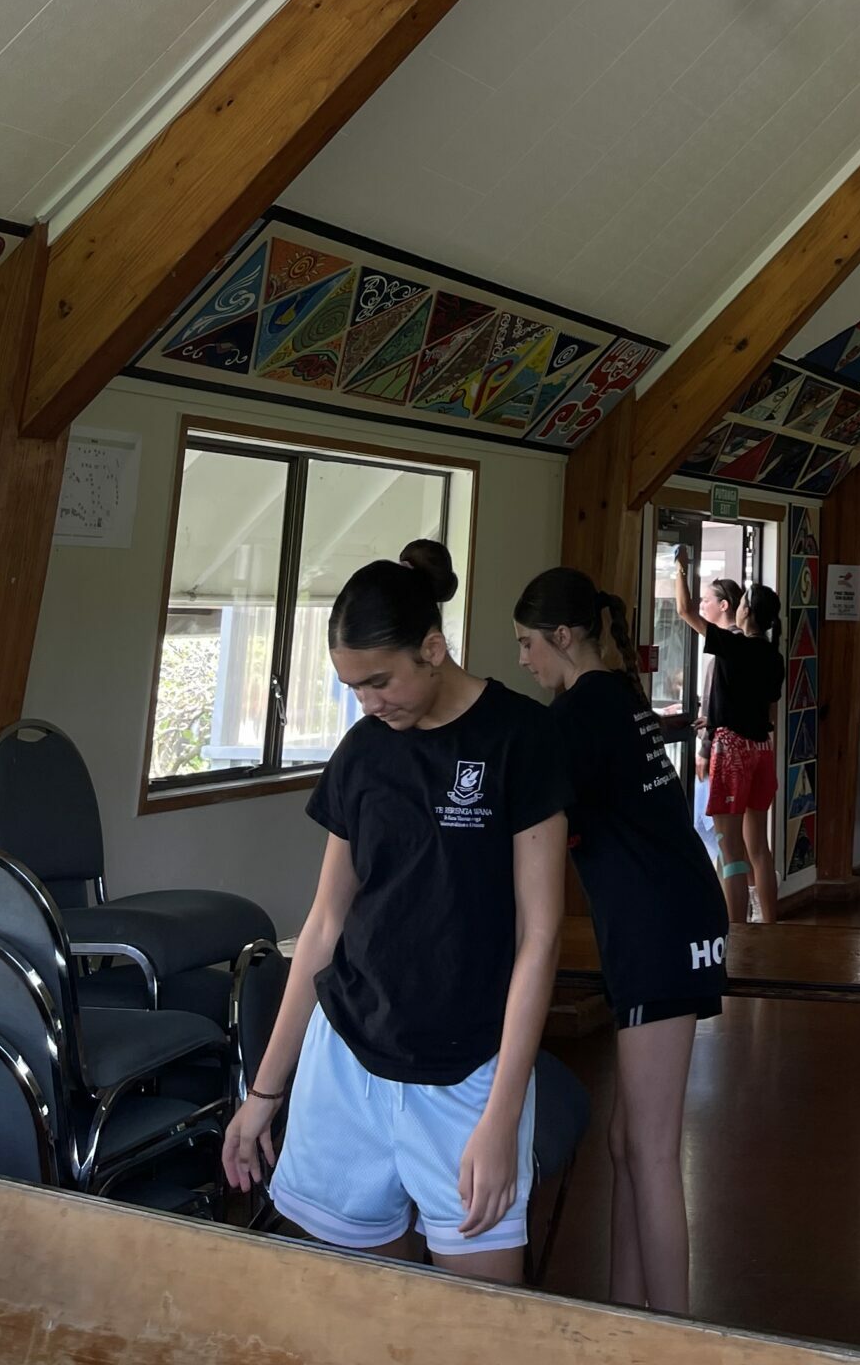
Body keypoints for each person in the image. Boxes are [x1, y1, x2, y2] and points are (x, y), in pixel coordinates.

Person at [222, 546, 568, 1283]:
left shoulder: (521, 740)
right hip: (349, 1057)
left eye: (380, 681)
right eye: (352, 687)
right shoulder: (363, 753)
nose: (368, 703)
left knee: (478, 1317)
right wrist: (264, 1094)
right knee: (363, 1305)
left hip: (469, 1070)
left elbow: (539, 938)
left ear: (433, 649)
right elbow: (324, 925)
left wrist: (504, 1113)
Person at [513, 568, 727, 1314]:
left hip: (660, 929)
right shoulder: (612, 697)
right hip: (666, 917)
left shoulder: (581, 714)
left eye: (528, 643)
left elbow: (532, 823)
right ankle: (626, 1318)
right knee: (625, 1144)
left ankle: (672, 1337)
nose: (523, 659)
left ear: (563, 636)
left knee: (652, 1150)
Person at [672, 548, 783, 922]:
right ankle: (770, 924)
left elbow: (685, 611)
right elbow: (767, 710)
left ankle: (737, 931)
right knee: (759, 849)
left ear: (745, 612)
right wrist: (721, 715)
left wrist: (681, 568)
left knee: (730, 849)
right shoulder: (774, 657)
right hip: (762, 749)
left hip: (732, 750)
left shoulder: (732, 644)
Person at [692, 577, 744, 873]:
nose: (702, 605)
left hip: (721, 751)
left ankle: (728, 887)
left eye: (706, 600)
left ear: (724, 605)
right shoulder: (748, 646)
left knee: (714, 830)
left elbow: (717, 705)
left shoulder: (726, 649)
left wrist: (704, 747)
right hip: (741, 748)